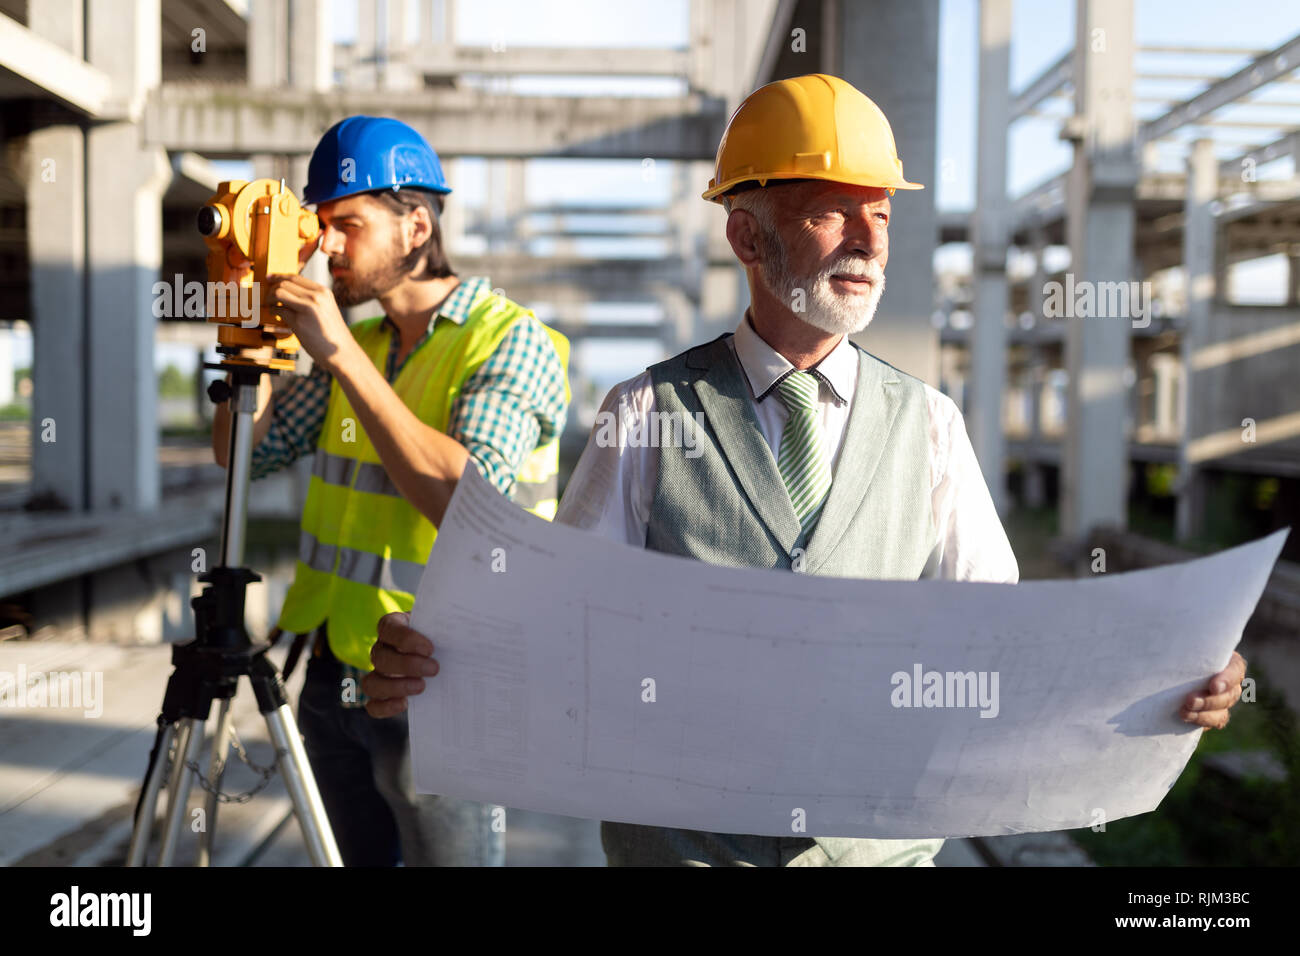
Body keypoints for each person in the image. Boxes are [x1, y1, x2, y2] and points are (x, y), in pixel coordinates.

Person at [360, 75, 1247, 866]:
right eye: (832, 211)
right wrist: (442, 664)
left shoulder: (931, 426)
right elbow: (562, 630)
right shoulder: (647, 414)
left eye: (884, 214)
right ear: (748, 234)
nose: (869, 240)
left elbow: (1001, 644)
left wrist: (1164, 679)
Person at [211, 115, 570, 866]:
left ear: (415, 227)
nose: (329, 247)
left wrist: (337, 351)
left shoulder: (509, 340)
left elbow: (469, 502)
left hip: (444, 683)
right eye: (320, 228)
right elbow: (242, 455)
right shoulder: (365, 346)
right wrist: (250, 336)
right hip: (332, 674)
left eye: (349, 224)